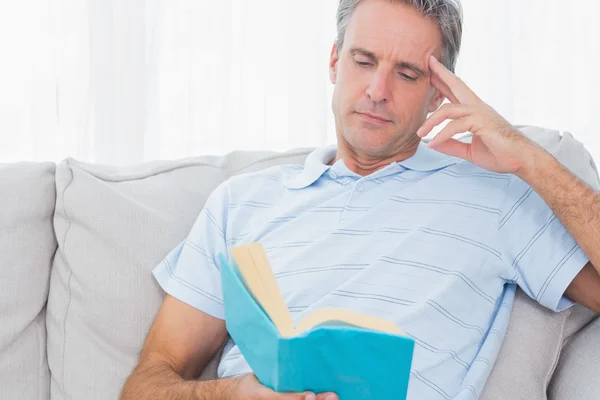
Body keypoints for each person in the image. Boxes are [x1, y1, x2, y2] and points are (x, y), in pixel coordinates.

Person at [121, 0, 600, 399]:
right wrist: (235, 393)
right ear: (334, 61)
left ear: (438, 94)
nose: (377, 91)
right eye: (364, 61)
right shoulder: (241, 203)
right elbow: (145, 385)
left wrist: (528, 159)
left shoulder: (495, 199)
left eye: (408, 74)